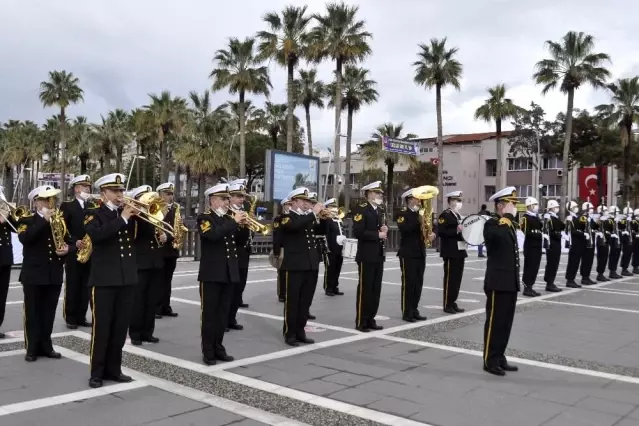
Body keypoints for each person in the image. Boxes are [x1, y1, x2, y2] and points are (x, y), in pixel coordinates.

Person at [85, 173, 137, 388]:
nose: (120, 194)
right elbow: (97, 235)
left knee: (119, 328)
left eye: (121, 191)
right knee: (102, 328)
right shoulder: (93, 214)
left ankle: (114, 370)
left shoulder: (128, 215)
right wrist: (123, 218)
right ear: (103, 193)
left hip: (126, 279)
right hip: (104, 280)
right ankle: (96, 373)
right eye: (115, 191)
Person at [18, 185, 69, 362]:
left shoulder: (59, 219)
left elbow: (67, 239)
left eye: (52, 199)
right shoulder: (27, 220)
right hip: (34, 274)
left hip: (53, 273)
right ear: (38, 203)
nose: (51, 202)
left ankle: (46, 346)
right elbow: (26, 239)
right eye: (47, 199)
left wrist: (67, 248)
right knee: (33, 312)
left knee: (49, 312)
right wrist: (43, 221)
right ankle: (32, 348)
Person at [197, 183, 245, 365]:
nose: (227, 202)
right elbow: (213, 236)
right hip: (211, 274)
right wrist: (234, 222)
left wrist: (243, 225)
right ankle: (208, 351)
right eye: (224, 199)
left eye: (227, 199)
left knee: (222, 314)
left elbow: (239, 242)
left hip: (229, 273)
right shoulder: (205, 218)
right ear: (213, 200)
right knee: (210, 315)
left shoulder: (229, 218)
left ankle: (219, 348)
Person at [482, 186, 520, 377]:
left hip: (509, 281)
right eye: (511, 204)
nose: (515, 208)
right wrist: (507, 218)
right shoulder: (492, 223)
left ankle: (500, 356)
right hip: (497, 281)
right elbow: (493, 238)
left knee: (506, 323)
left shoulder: (508, 224)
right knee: (495, 322)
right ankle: (490, 359)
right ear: (500, 206)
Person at [278, 187, 323, 346]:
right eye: (304, 200)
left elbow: (322, 230)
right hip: (295, 266)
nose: (307, 203)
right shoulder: (287, 217)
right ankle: (290, 333)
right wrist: (313, 214)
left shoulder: (308, 217)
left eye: (308, 201)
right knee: (293, 301)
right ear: (294, 202)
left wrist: (323, 216)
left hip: (311, 265)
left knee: (305, 301)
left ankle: (300, 331)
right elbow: (294, 227)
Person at [128, 185, 165, 346]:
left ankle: (148, 332)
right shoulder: (133, 218)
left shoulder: (154, 214)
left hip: (155, 262)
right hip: (140, 263)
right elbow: (132, 237)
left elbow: (159, 236)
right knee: (138, 300)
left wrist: (164, 236)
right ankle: (135, 333)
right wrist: (135, 212)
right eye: (145, 198)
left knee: (151, 299)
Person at [353, 181, 387, 332]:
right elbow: (358, 232)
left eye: (380, 193)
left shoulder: (379, 210)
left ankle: (371, 318)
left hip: (378, 254)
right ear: (369, 194)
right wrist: (377, 234)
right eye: (377, 193)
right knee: (365, 289)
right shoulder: (362, 209)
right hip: (366, 255)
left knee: (375, 289)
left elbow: (376, 229)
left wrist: (382, 229)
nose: (380, 195)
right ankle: (361, 320)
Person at [61, 174, 93, 329]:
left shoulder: (92, 206)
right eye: (85, 186)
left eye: (88, 186)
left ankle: (81, 316)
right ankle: (71, 317)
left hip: (89, 252)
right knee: (73, 285)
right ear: (77, 188)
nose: (88, 188)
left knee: (86, 286)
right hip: (74, 251)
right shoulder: (67, 206)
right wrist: (74, 240)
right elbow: (62, 228)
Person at [396, 188, 431, 322]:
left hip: (420, 252)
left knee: (418, 283)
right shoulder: (402, 213)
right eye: (417, 199)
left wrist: (430, 234)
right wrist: (420, 221)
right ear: (410, 200)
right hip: (408, 253)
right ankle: (407, 311)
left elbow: (424, 232)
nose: (420, 201)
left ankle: (414, 309)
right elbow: (405, 229)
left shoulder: (420, 214)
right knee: (408, 283)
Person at [227, 179, 251, 331]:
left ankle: (232, 318)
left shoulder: (244, 212)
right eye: (238, 196)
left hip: (243, 253)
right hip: (231, 254)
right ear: (230, 197)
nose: (241, 199)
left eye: (242, 196)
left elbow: (244, 236)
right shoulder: (228, 213)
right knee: (230, 289)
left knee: (239, 288)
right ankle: (224, 319)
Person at [438, 190, 467, 314]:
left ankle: (453, 301)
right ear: (450, 201)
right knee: (450, 278)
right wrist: (456, 230)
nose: (459, 203)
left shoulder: (458, 215)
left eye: (460, 200)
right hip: (450, 251)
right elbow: (441, 231)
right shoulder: (445, 215)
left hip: (460, 250)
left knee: (457, 278)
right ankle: (447, 303)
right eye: (456, 200)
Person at [156, 182, 179, 318]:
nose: (170, 197)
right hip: (159, 250)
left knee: (167, 280)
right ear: (160, 195)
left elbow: (177, 228)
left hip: (171, 250)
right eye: (167, 194)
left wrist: (172, 236)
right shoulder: (156, 208)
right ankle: (156, 307)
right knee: (158, 281)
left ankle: (166, 306)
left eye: (171, 194)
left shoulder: (175, 209)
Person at [0, 185, 16, 339]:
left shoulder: (6, 212)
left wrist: (9, 213)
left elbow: (17, 228)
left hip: (5, 259)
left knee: (2, 295)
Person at [321, 198, 345, 297]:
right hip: (331, 247)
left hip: (339, 247)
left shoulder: (338, 219)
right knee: (330, 269)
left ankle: (335, 287)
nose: (335, 209)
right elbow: (325, 234)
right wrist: (327, 247)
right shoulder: (327, 220)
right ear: (327, 208)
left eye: (335, 206)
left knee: (337, 268)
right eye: (332, 207)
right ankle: (328, 288)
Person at [520, 197, 542, 297]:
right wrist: (536, 234)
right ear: (530, 206)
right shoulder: (525, 217)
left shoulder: (535, 217)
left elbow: (540, 226)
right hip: (530, 245)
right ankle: (526, 287)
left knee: (535, 267)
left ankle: (531, 286)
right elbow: (524, 230)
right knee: (529, 267)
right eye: (535, 205)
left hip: (537, 245)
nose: (536, 207)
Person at [273, 198, 291, 302]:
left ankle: (289, 292)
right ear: (283, 205)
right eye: (287, 204)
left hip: (291, 249)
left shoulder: (293, 217)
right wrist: (276, 251)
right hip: (283, 248)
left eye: (290, 204)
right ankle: (282, 293)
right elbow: (277, 235)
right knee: (282, 273)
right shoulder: (279, 218)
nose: (289, 206)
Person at [542, 200, 563, 292]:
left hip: (556, 243)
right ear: (551, 208)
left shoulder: (554, 217)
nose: (557, 209)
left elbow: (562, 226)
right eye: (556, 207)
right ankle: (549, 283)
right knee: (552, 263)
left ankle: (551, 282)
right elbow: (548, 231)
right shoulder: (549, 217)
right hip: (552, 243)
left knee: (555, 263)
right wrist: (557, 234)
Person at [564, 201, 583, 288]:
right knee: (573, 261)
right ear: (570, 208)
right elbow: (570, 230)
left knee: (576, 262)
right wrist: (581, 233)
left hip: (578, 242)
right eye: (575, 207)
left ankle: (572, 279)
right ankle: (570, 280)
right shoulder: (569, 218)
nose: (576, 208)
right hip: (574, 242)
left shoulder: (576, 217)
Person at [578, 201, 596, 285]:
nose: (592, 210)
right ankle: (584, 278)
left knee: (590, 260)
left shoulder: (590, 218)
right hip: (585, 242)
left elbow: (595, 227)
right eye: (591, 208)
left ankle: (587, 276)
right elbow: (581, 227)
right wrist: (586, 221)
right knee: (586, 260)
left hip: (591, 241)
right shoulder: (582, 218)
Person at [594, 205, 610, 282]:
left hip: (606, 240)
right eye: (605, 210)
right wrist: (601, 221)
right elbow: (595, 228)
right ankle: (599, 274)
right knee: (601, 257)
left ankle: (601, 273)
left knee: (605, 257)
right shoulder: (598, 220)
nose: (606, 212)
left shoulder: (606, 220)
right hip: (600, 240)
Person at [607, 206, 622, 279]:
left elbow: (622, 227)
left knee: (617, 255)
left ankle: (614, 270)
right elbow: (608, 229)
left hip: (618, 240)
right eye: (617, 212)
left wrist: (618, 221)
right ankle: (612, 271)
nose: (618, 213)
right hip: (612, 240)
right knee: (613, 255)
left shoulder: (616, 220)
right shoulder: (609, 220)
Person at [619, 206, 634, 276]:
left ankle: (625, 268)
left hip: (630, 240)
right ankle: (624, 269)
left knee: (628, 255)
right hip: (625, 241)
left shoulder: (630, 220)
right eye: (630, 213)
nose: (631, 214)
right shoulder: (623, 220)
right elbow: (621, 227)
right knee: (626, 254)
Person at [632, 208, 639, 274]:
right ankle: (635, 267)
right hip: (635, 241)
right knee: (636, 254)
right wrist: (636, 235)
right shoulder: (633, 222)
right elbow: (632, 231)